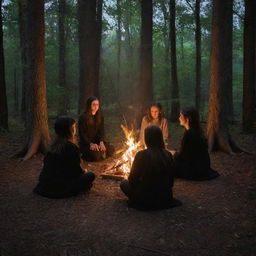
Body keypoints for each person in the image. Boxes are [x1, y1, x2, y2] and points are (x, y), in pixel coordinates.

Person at [120, 125, 181, 210]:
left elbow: (132, 179)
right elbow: (171, 182)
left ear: (147, 138)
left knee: (123, 183)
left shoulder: (141, 155)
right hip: (164, 197)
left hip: (146, 198)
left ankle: (142, 199)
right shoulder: (168, 154)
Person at [33, 116, 95, 198]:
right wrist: (84, 172)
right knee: (90, 175)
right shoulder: (71, 147)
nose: (75, 129)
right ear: (69, 130)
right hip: (61, 187)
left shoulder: (52, 146)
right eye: (73, 127)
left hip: (45, 185)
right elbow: (75, 172)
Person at [170, 106, 219, 181]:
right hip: (202, 167)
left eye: (181, 116)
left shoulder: (190, 134)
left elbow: (184, 157)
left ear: (187, 119)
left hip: (194, 170)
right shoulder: (195, 131)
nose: (179, 118)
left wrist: (174, 154)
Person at [78, 96, 114, 162]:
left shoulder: (100, 116)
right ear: (89, 105)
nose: (96, 106)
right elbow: (82, 134)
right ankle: (97, 155)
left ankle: (100, 154)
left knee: (111, 149)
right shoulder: (83, 117)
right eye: (93, 104)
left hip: (97, 141)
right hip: (86, 143)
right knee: (95, 156)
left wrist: (101, 142)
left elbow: (101, 130)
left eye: (97, 104)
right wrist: (90, 144)